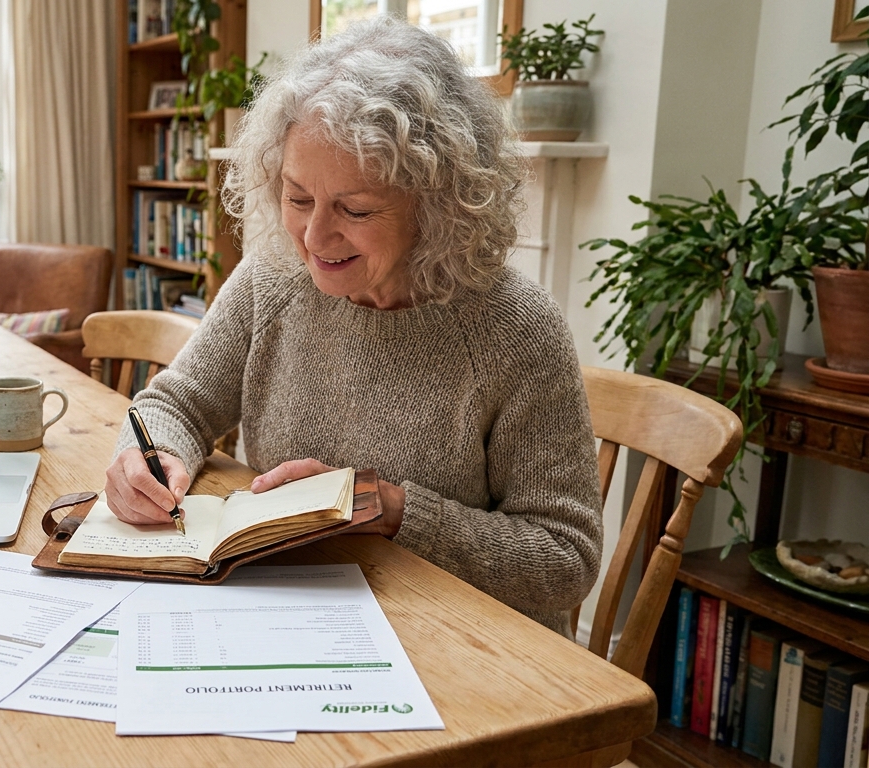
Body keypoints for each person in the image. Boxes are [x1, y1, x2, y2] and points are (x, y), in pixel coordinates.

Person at [103, 16, 603, 638]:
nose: (314, 239)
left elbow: (564, 560)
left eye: (356, 208)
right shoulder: (274, 279)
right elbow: (177, 402)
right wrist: (146, 457)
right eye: (297, 197)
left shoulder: (516, 331)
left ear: (440, 203)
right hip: (297, 617)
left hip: (465, 646)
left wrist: (393, 509)